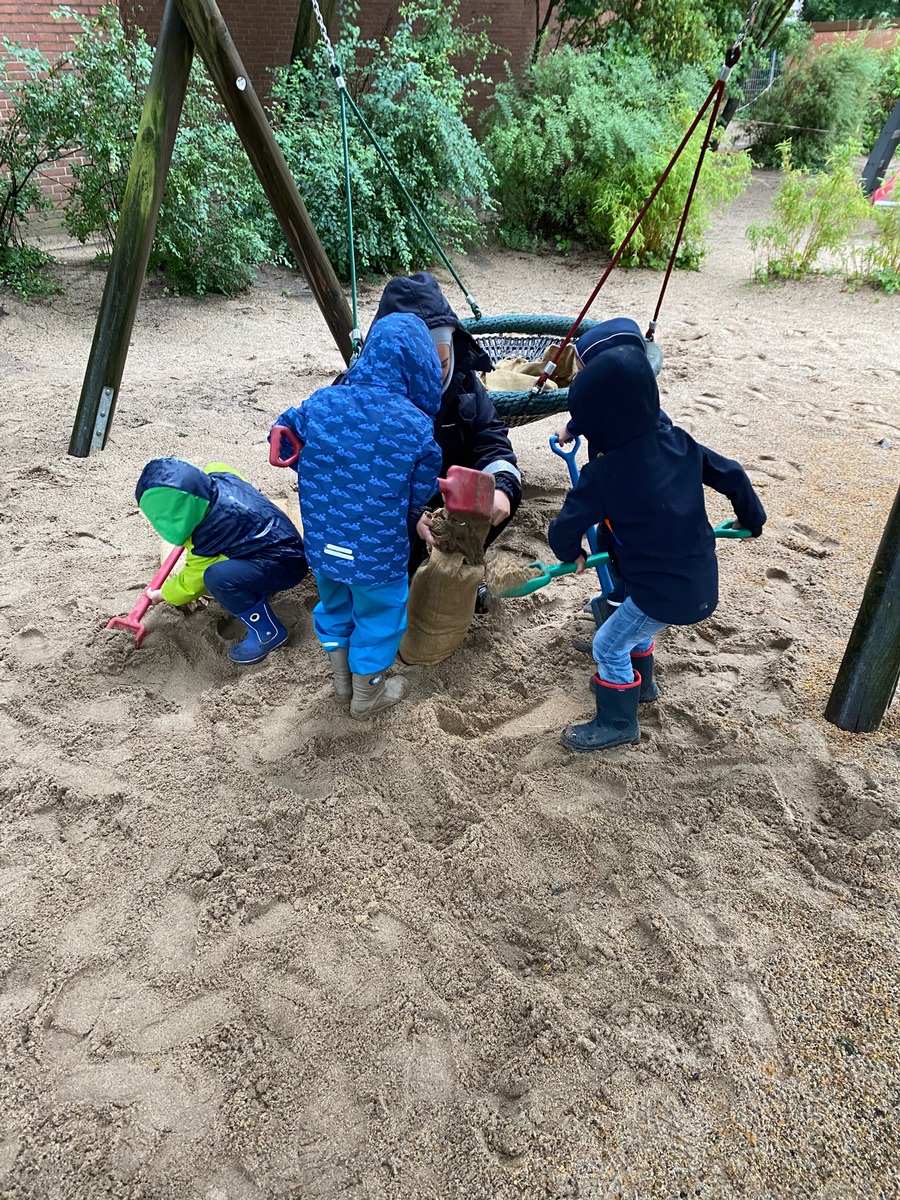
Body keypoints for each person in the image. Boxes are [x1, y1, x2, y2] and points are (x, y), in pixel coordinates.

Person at [547, 343, 766, 753]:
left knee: (607, 645)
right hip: (699, 580)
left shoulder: (602, 473)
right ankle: (643, 685)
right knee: (634, 618)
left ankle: (617, 721)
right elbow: (733, 475)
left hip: (659, 593)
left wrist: (568, 553)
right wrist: (751, 518)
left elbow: (565, 526)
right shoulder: (679, 442)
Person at [272, 312, 443, 721]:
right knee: (380, 614)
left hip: (324, 544)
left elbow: (284, 436)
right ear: (420, 367)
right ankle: (367, 693)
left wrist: (310, 469)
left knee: (334, 603)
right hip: (377, 551)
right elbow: (422, 485)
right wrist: (410, 508)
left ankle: (341, 682)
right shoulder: (415, 424)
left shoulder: (321, 402)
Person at [369, 273, 522, 606]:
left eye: (440, 363)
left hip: (450, 498)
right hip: (393, 504)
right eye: (416, 367)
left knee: (500, 493)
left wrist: (502, 486)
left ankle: (459, 563)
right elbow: (352, 474)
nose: (431, 376)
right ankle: (407, 571)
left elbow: (491, 439)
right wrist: (409, 515)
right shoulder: (363, 392)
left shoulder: (465, 384)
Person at [137, 459, 308, 663]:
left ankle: (268, 633)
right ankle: (257, 588)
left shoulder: (208, 534)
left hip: (285, 566)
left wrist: (163, 594)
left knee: (216, 577)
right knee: (232, 556)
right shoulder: (220, 474)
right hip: (283, 539)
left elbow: (192, 584)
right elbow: (215, 469)